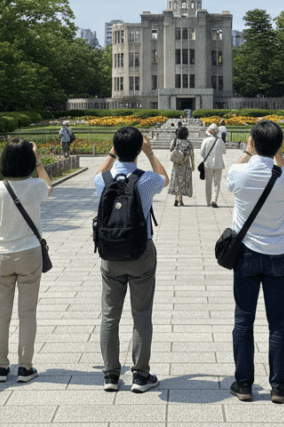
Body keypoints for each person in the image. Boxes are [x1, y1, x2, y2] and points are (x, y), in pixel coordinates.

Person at [226, 120, 284, 404]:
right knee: (278, 323)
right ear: (278, 146)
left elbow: (236, 169)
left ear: (252, 142)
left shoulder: (238, 172)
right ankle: (279, 386)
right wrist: (275, 151)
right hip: (278, 253)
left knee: (243, 320)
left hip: (245, 254)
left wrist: (247, 151)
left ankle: (243, 384)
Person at [93, 128, 168, 393]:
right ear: (138, 149)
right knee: (142, 314)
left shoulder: (103, 179)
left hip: (110, 253)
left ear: (114, 147)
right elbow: (165, 178)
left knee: (109, 315)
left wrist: (112, 153)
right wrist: (149, 152)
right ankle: (140, 375)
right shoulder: (146, 179)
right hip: (141, 251)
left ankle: (111, 375)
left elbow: (98, 174)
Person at [0, 139, 53, 384]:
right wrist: (39, 160)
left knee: (1, 314)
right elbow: (49, 187)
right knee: (27, 313)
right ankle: (25, 367)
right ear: (28, 162)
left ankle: (1, 367)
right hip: (29, 254)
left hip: (1, 254)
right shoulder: (36, 186)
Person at [199, 124, 226, 207]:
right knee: (217, 183)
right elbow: (224, 151)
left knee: (208, 183)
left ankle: (208, 201)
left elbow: (202, 153)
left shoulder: (205, 140)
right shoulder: (220, 141)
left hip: (208, 164)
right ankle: (215, 199)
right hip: (218, 164)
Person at [167, 125, 194, 207]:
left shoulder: (175, 141)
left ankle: (177, 199)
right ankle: (180, 200)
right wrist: (193, 165)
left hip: (176, 164)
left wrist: (175, 138)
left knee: (177, 182)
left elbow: (171, 149)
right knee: (182, 182)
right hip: (185, 165)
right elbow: (192, 155)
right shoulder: (188, 143)